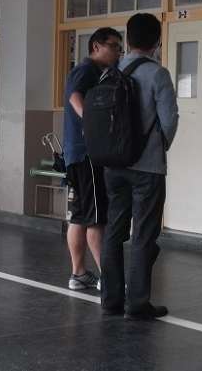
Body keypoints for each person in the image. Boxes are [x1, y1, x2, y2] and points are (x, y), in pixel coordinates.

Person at [101, 13, 178, 319]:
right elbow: (169, 120)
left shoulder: (111, 72)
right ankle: (137, 303)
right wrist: (159, 147)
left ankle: (110, 299)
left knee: (114, 231)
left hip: (113, 164)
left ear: (128, 38)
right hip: (148, 168)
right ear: (157, 40)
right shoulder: (158, 74)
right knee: (143, 235)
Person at [63, 27, 123, 290]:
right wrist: (93, 123)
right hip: (87, 154)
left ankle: (78, 274)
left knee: (80, 216)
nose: (118, 52)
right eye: (114, 46)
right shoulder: (86, 70)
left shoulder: (101, 73)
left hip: (76, 154)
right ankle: (108, 278)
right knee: (97, 218)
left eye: (120, 47)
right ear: (96, 46)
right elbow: (74, 96)